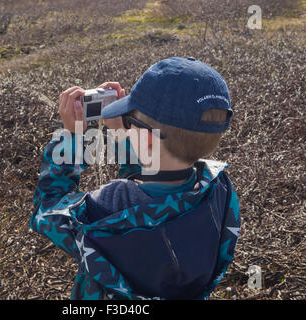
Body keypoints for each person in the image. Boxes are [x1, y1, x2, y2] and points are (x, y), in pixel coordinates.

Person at [30, 57, 241, 300]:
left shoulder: (105, 208)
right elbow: (149, 187)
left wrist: (73, 138)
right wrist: (123, 131)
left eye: (131, 121)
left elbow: (45, 208)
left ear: (148, 138)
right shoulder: (220, 190)